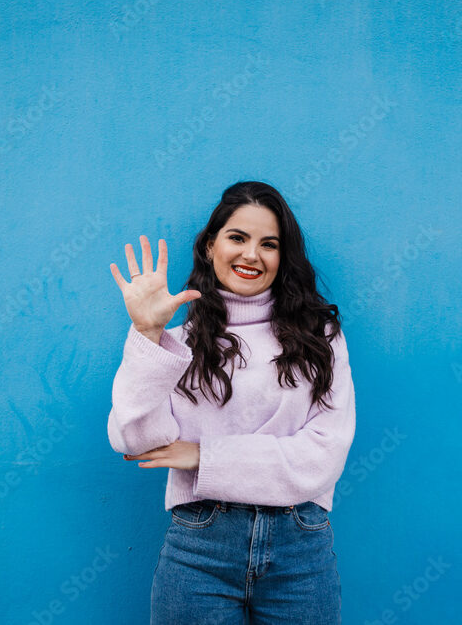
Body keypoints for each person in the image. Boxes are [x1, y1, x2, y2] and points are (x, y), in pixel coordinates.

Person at [107, 181, 356, 624]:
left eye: (269, 244)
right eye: (237, 238)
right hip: (200, 548)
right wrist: (146, 334)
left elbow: (324, 453)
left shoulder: (320, 340)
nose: (251, 255)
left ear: (284, 257)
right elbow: (135, 439)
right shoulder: (176, 345)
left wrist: (205, 457)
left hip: (300, 547)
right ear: (209, 246)